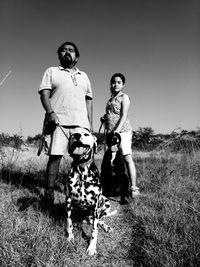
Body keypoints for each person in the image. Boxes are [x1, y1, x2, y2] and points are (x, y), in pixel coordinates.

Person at [38, 41, 93, 207]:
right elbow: (44, 94)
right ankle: (49, 193)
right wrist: (50, 113)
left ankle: (82, 192)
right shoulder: (52, 71)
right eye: (63, 50)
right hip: (58, 122)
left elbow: (89, 101)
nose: (67, 52)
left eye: (71, 50)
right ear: (59, 55)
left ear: (76, 57)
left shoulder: (84, 76)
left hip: (81, 125)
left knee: (82, 160)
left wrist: (89, 125)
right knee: (55, 157)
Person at [101, 73, 140, 198]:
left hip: (122, 132)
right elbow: (111, 115)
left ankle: (134, 188)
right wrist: (104, 119)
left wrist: (116, 131)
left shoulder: (124, 97)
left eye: (118, 82)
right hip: (111, 134)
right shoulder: (110, 100)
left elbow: (123, 115)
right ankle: (111, 187)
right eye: (113, 82)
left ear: (123, 85)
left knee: (127, 157)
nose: (115, 84)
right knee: (111, 160)